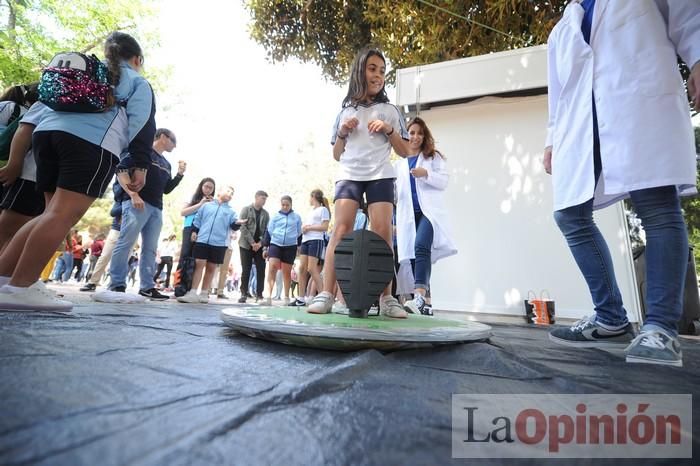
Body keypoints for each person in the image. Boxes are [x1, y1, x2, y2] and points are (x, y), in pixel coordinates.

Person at [544, 1, 700, 367]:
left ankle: (661, 328)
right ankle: (611, 317)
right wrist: (551, 138)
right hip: (580, 123)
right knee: (569, 214)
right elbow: (557, 90)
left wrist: (696, 57)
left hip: (635, 101)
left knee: (657, 205)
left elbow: (688, 15)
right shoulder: (564, 25)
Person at [0, 31, 155, 311]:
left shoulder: (83, 72)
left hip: (45, 137)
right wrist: (139, 165)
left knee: (49, 214)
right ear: (137, 59)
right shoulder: (135, 80)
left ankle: (6, 279)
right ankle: (20, 288)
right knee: (61, 215)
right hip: (89, 144)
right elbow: (142, 124)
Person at [307, 47, 410, 317]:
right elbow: (336, 154)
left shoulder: (390, 110)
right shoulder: (344, 111)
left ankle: (388, 299)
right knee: (340, 231)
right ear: (360, 71)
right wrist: (342, 132)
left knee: (382, 232)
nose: (378, 75)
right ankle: (327, 294)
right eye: (372, 68)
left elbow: (406, 151)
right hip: (350, 174)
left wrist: (388, 130)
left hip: (380, 176)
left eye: (382, 70)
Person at [107, 128, 184, 300]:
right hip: (137, 203)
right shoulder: (142, 152)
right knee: (126, 243)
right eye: (173, 140)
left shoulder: (166, 163)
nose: (175, 145)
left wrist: (179, 175)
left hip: (157, 208)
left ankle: (147, 287)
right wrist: (133, 195)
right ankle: (117, 284)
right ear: (162, 136)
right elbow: (121, 170)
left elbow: (166, 189)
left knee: (150, 249)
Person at [395, 117, 457, 316]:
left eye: (419, 133)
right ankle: (425, 302)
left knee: (421, 246)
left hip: (429, 213)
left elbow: (443, 182)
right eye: (412, 133)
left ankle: (419, 296)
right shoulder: (399, 164)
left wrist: (425, 174)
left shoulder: (432, 158)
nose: (415, 137)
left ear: (424, 136)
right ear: (406, 135)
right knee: (414, 256)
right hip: (408, 215)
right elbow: (396, 194)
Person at [177, 186, 246, 303]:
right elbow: (197, 220)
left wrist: (238, 223)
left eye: (232, 193)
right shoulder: (206, 206)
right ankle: (193, 292)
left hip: (219, 243)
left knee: (211, 268)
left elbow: (233, 226)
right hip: (202, 240)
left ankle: (204, 293)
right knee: (199, 264)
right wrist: (194, 231)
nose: (230, 194)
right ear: (219, 192)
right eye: (228, 191)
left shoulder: (231, 211)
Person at [79, 185, 124, 291]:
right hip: (117, 229)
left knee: (123, 259)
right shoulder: (122, 194)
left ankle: (116, 285)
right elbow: (113, 211)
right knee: (105, 256)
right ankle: (93, 282)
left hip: (132, 230)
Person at [292, 189, 330, 306]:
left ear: (313, 197)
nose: (309, 199)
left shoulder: (323, 210)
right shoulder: (311, 211)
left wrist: (310, 228)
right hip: (305, 240)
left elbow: (324, 227)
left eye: (310, 197)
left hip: (316, 240)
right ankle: (301, 298)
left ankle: (324, 296)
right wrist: (304, 229)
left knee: (312, 269)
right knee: (302, 268)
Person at [263, 195, 302, 305]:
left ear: (291, 205)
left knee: (286, 272)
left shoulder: (296, 217)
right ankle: (268, 298)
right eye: (283, 205)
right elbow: (269, 231)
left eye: (287, 205)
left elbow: (299, 232)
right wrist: (265, 247)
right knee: (272, 267)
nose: (285, 207)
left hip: (290, 246)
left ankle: (286, 297)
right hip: (276, 243)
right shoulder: (275, 217)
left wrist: (297, 245)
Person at [176, 177, 215, 285]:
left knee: (196, 259)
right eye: (206, 186)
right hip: (189, 227)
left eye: (211, 188)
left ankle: (189, 287)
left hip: (203, 231)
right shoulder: (192, 197)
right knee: (184, 256)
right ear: (201, 186)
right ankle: (178, 286)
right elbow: (183, 212)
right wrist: (200, 204)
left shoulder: (213, 202)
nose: (208, 190)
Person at [237, 190, 269, 303]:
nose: (264, 201)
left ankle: (259, 294)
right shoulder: (246, 209)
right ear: (256, 198)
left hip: (259, 246)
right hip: (246, 245)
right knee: (246, 269)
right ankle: (243, 293)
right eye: (262, 198)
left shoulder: (265, 214)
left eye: (265, 199)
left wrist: (260, 244)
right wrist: (252, 243)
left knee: (261, 269)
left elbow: (266, 231)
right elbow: (242, 226)